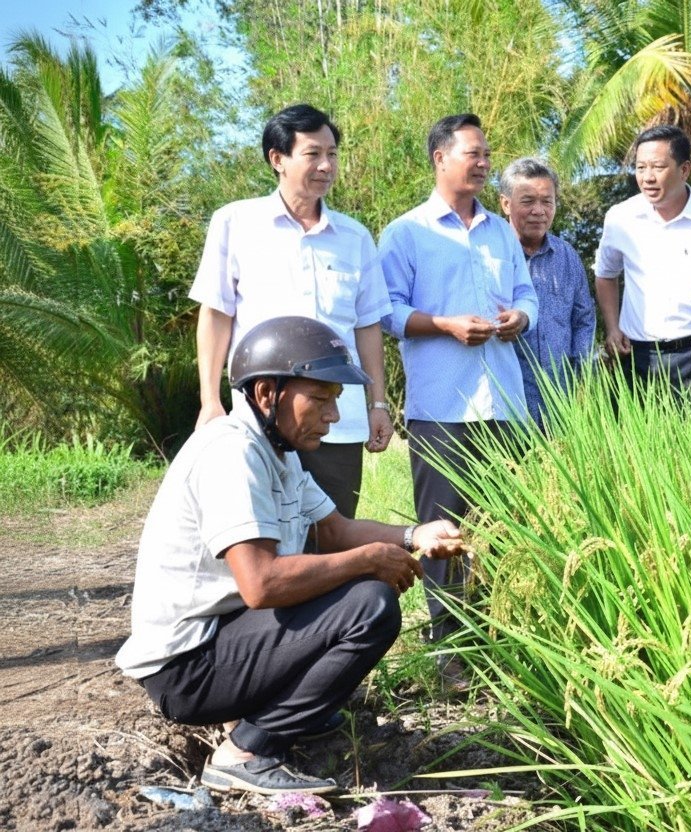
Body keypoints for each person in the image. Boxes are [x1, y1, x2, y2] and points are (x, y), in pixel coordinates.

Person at [116, 316, 463, 795]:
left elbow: (336, 530)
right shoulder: (232, 453)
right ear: (266, 394)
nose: (333, 417)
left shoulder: (278, 452)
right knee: (369, 604)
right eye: (319, 400)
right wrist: (368, 560)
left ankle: (288, 714)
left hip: (222, 640)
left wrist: (413, 534)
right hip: (185, 670)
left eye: (335, 402)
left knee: (354, 585)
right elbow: (261, 585)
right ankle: (247, 750)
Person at [379, 113, 537, 668]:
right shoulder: (406, 232)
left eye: (487, 152)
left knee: (504, 524)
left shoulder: (500, 231)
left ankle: (501, 637)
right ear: (440, 158)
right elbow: (387, 313)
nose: (484, 161)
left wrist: (521, 316)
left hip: (505, 402)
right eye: (473, 152)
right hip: (442, 406)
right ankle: (450, 648)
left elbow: (525, 293)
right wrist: (445, 324)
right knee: (445, 531)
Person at [190, 103, 393, 522]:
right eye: (313, 153)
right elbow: (216, 315)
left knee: (333, 536)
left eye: (333, 154)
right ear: (277, 159)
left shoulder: (355, 237)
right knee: (259, 532)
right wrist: (210, 401)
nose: (326, 165)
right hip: (260, 418)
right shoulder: (235, 223)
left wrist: (378, 404)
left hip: (336, 420)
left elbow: (367, 326)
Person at [593, 124, 691, 402]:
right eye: (640, 168)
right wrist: (613, 327)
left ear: (684, 169)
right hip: (635, 358)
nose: (647, 177)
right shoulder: (620, 218)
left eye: (658, 167)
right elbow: (606, 274)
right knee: (632, 443)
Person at [498, 157, 596, 430]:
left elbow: (584, 320)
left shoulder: (568, 257)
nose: (539, 211)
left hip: (561, 403)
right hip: (507, 403)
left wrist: (584, 379)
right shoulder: (491, 255)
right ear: (505, 204)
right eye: (528, 201)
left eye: (547, 201)